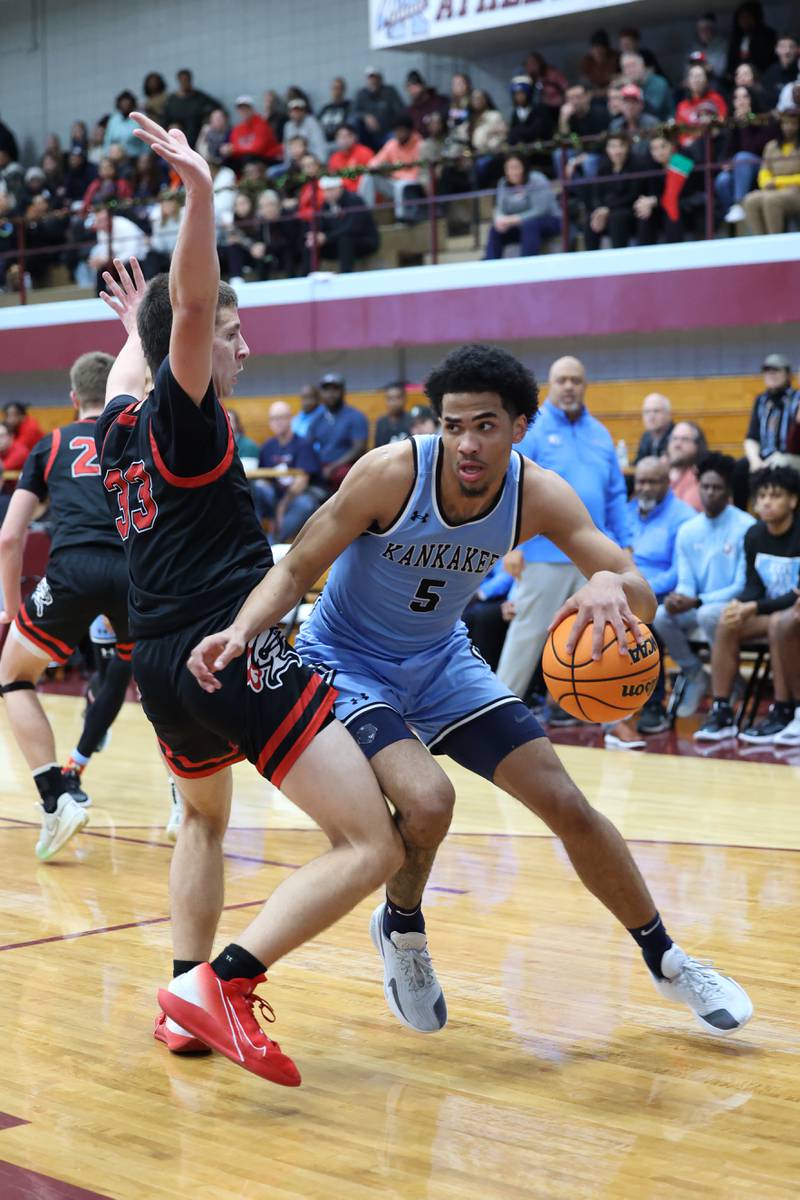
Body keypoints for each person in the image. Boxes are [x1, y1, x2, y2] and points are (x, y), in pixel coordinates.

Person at [189, 341, 753, 1042]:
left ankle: (666, 958)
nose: (467, 442)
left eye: (485, 425)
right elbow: (298, 564)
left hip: (442, 659)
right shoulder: (391, 472)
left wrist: (610, 581)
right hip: (347, 661)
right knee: (428, 801)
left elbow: (637, 589)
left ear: (520, 426)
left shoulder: (537, 491)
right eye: (454, 425)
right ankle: (403, 930)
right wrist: (243, 630)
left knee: (567, 803)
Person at [94, 114, 403, 1085]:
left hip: (156, 662)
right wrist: (198, 193)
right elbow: (182, 316)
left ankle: (183, 996)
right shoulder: (188, 427)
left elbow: (136, 356)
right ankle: (222, 984)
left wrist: (132, 327)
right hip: (228, 649)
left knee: (203, 821)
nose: (241, 340)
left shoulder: (114, 430)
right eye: (233, 328)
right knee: (371, 841)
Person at [0, 351, 134, 859]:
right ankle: (181, 799)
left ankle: (56, 803)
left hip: (73, 572)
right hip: (135, 574)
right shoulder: (137, 433)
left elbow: (10, 537)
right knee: (163, 680)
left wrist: (12, 610)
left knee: (14, 676)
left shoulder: (50, 443)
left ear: (74, 397)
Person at [495, 356, 628, 711]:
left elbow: (615, 493)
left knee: (603, 637)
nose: (569, 386)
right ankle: (495, 712)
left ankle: (609, 717)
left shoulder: (600, 433)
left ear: (585, 385)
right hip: (542, 554)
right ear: (550, 385)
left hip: (593, 558)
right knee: (525, 640)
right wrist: (510, 544)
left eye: (576, 380)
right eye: (562, 380)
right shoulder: (532, 431)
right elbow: (510, 483)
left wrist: (624, 543)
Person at [695, 466, 800, 744]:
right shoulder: (754, 535)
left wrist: (753, 607)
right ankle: (722, 710)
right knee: (727, 621)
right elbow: (753, 586)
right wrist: (739, 605)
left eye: (775, 495)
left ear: (792, 500)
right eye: (761, 495)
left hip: (794, 612)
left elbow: (795, 595)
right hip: (772, 612)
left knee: (781, 621)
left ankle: (785, 709)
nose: (766, 501)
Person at [655, 453, 756, 718]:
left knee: (708, 613)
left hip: (733, 608)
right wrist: (680, 598)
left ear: (728, 491)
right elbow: (687, 582)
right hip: (700, 605)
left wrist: (698, 600)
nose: (710, 493)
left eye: (717, 488)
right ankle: (695, 673)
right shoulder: (688, 530)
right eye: (705, 487)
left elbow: (743, 585)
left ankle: (730, 679)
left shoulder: (747, 527)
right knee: (661, 614)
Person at [608, 457, 694, 744]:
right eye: (641, 481)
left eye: (653, 481)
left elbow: (680, 571)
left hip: (660, 595)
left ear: (667, 483)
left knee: (643, 620)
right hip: (623, 591)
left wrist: (638, 589)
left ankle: (653, 702)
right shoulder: (626, 513)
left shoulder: (683, 517)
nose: (644, 487)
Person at [254, 401, 325, 540]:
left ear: (290, 419)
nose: (277, 422)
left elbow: (302, 481)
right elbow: (263, 479)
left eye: (281, 417)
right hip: (276, 497)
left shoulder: (303, 444)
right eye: (273, 419)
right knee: (253, 490)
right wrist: (274, 507)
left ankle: (270, 545)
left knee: (305, 503)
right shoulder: (268, 446)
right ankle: (253, 539)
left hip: (298, 497)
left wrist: (282, 506)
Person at [715, 85, 777, 224]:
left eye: (745, 97)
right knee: (722, 180)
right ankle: (735, 217)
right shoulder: (732, 123)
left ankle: (739, 204)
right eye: (737, 98)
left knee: (742, 157)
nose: (741, 101)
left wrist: (747, 123)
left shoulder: (764, 119)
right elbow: (725, 152)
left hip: (761, 166)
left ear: (752, 99)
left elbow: (754, 148)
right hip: (739, 168)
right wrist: (728, 163)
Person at [483, 153, 560, 260]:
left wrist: (514, 219)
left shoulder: (537, 179)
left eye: (516, 167)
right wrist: (499, 219)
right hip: (521, 226)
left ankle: (527, 265)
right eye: (509, 168)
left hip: (549, 221)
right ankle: (489, 266)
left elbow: (540, 210)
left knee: (529, 225)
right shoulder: (503, 183)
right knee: (495, 230)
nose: (513, 172)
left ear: (524, 167)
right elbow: (500, 208)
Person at [585, 133, 648, 251]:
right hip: (608, 210)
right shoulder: (603, 166)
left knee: (617, 218)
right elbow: (596, 193)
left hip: (630, 210)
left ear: (627, 147)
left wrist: (607, 209)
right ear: (607, 149)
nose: (617, 151)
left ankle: (619, 260)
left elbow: (633, 195)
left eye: (621, 146)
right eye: (613, 146)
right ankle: (591, 260)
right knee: (591, 217)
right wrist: (599, 209)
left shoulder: (637, 164)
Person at [305, 372, 368, 488]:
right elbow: (307, 445)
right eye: (326, 390)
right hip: (322, 467)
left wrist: (333, 467)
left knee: (344, 476)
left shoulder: (355, 416)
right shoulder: (316, 418)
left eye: (335, 389)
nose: (330, 394)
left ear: (343, 391)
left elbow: (359, 449)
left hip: (346, 468)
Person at [743, 109, 800, 236]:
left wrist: (778, 181)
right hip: (773, 189)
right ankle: (760, 243)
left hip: (796, 191)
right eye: (785, 124)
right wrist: (766, 182)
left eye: (793, 124)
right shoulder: (771, 146)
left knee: (771, 200)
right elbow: (764, 170)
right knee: (750, 200)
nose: (789, 127)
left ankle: (775, 241)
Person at [307, 176, 379, 274]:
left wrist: (327, 237)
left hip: (363, 241)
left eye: (330, 190)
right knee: (311, 243)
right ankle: (307, 275)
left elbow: (352, 228)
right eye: (325, 191)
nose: (327, 194)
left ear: (340, 188)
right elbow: (322, 226)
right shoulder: (326, 205)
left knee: (345, 239)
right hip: (337, 242)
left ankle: (346, 275)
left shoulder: (354, 200)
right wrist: (316, 236)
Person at [743, 353, 800, 475]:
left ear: (788, 374)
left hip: (790, 457)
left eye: (776, 370)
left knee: (778, 464)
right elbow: (751, 437)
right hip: (764, 457)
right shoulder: (761, 400)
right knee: (740, 468)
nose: (771, 374)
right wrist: (755, 461)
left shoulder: (797, 398)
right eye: (767, 371)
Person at [368, 114, 424, 221]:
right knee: (369, 177)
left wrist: (392, 173)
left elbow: (416, 174)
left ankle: (401, 217)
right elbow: (373, 162)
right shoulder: (392, 144)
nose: (398, 134)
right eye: (396, 131)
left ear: (409, 130)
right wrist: (378, 168)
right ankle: (365, 215)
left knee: (401, 185)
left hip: (413, 188)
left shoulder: (420, 144)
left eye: (401, 130)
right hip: (395, 183)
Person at [163, 69, 221, 147]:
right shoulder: (172, 100)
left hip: (197, 135)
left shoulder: (199, 97)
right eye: (182, 80)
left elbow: (217, 106)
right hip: (178, 138)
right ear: (179, 81)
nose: (185, 83)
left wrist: (207, 120)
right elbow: (165, 119)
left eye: (187, 80)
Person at [675, 65, 728, 148]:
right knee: (674, 160)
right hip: (689, 149)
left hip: (712, 144)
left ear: (706, 80)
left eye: (699, 76)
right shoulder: (682, 106)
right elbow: (681, 133)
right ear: (687, 82)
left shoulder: (716, 98)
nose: (696, 80)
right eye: (693, 76)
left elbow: (722, 122)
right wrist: (685, 141)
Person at [221, 97, 282, 169]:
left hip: (268, 158)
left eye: (246, 108)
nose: (244, 111)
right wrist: (227, 150)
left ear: (252, 109)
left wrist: (234, 150)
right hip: (248, 158)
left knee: (249, 158)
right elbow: (233, 145)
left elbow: (257, 149)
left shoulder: (261, 124)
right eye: (241, 109)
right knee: (227, 161)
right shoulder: (238, 128)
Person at [353, 68, 405, 150]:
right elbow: (353, 112)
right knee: (354, 122)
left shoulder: (389, 91)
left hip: (387, 132)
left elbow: (400, 111)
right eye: (370, 78)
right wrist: (366, 116)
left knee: (396, 135)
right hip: (368, 136)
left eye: (375, 78)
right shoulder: (361, 94)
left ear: (380, 79)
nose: (373, 81)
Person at [726, 3, 778, 80]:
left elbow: (767, 60)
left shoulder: (767, 35)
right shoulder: (736, 36)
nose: (744, 20)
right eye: (741, 17)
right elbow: (731, 60)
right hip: (738, 78)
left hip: (761, 76)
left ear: (755, 18)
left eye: (747, 17)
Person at [327, 123, 374, 206]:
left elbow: (369, 180)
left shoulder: (365, 153)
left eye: (345, 136)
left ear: (354, 137)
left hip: (361, 196)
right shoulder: (334, 158)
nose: (342, 140)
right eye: (339, 137)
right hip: (341, 197)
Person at [620, 52, 673, 121]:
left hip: (663, 125)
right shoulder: (624, 85)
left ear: (643, 66)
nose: (631, 70)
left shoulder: (658, 82)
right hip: (636, 127)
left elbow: (652, 109)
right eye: (626, 67)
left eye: (633, 65)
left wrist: (632, 89)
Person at [667, 421, 707, 511]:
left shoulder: (702, 478)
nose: (677, 444)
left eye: (684, 439)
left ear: (697, 445)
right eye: (674, 439)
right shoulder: (660, 474)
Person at [282, 98, 327, 165]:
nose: (296, 113)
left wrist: (320, 163)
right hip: (294, 164)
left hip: (311, 162)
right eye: (294, 110)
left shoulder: (312, 122)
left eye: (299, 110)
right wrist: (288, 165)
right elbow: (287, 150)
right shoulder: (288, 126)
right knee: (272, 172)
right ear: (289, 113)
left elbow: (320, 146)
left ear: (304, 111)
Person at [404, 70, 448, 135]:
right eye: (409, 88)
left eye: (415, 86)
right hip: (418, 142)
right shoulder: (410, 110)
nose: (413, 90)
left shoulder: (439, 101)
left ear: (422, 85)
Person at [634, 393, 673, 462]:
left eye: (656, 411)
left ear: (668, 414)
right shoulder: (646, 436)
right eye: (647, 412)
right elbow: (638, 463)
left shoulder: (676, 436)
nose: (651, 417)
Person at [762, 35, 799, 107]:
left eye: (791, 47)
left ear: (798, 49)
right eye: (783, 47)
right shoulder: (770, 73)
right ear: (776, 49)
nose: (787, 51)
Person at [104, 91, 142, 158]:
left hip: (135, 157)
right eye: (123, 103)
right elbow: (108, 140)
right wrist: (106, 155)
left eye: (127, 103)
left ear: (132, 104)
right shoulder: (113, 120)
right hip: (116, 158)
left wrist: (145, 155)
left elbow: (145, 142)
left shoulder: (138, 118)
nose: (125, 105)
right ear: (119, 104)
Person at [374, 381, 412, 447]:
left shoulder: (411, 420)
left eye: (398, 398)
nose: (394, 402)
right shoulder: (381, 422)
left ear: (404, 399)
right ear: (386, 400)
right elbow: (377, 448)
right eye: (390, 399)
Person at [317, 77, 353, 147]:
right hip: (323, 142)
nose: (336, 91)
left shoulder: (349, 106)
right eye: (333, 88)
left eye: (338, 88)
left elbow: (349, 126)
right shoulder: (325, 108)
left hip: (340, 141)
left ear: (343, 90)